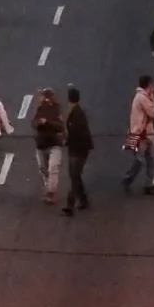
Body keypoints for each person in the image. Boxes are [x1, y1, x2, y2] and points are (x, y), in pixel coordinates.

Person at [123, 74, 154, 193]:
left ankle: (148, 185)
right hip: (141, 134)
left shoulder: (142, 97)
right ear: (148, 85)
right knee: (140, 160)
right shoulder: (143, 98)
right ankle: (128, 179)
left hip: (145, 133)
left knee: (151, 159)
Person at [62, 85, 93, 214]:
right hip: (76, 149)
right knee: (75, 175)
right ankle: (84, 200)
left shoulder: (77, 114)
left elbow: (77, 133)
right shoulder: (76, 112)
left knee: (74, 175)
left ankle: (70, 204)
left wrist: (66, 140)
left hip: (79, 149)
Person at [32, 87, 66, 203]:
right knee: (43, 169)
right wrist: (38, 123)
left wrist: (48, 122)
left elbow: (61, 126)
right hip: (41, 145)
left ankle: (51, 192)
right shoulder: (40, 109)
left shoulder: (56, 109)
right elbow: (33, 123)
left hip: (54, 144)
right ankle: (49, 189)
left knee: (53, 167)